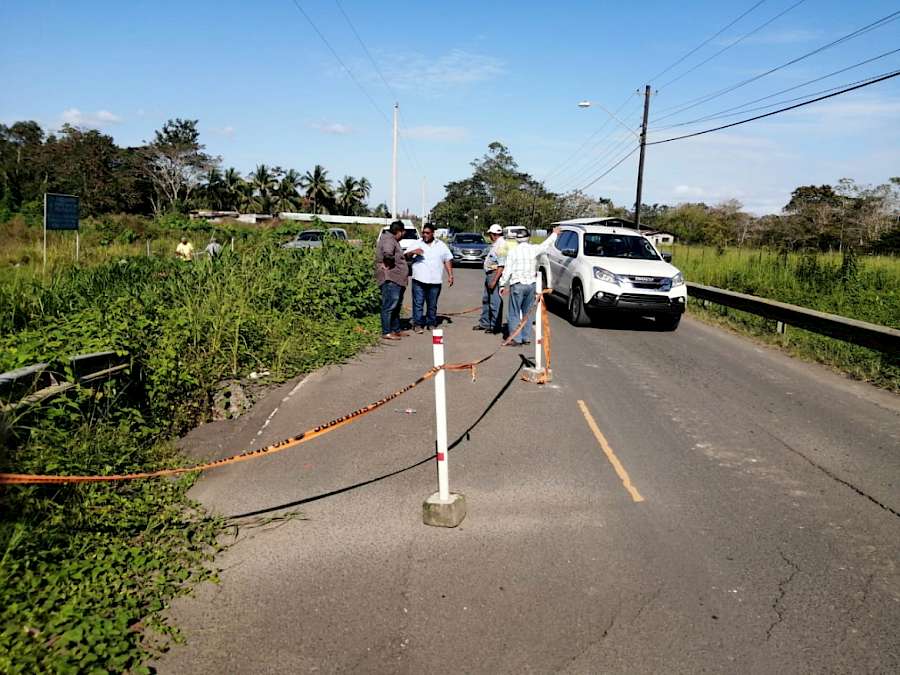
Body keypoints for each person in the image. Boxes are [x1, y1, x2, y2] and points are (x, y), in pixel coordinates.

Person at [499, 226, 560, 346]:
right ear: (528, 238)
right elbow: (545, 244)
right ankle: (525, 337)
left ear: (516, 239)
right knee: (527, 312)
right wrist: (554, 234)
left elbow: (507, 270)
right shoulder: (534, 249)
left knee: (514, 313)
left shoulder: (513, 252)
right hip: (531, 285)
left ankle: (516, 338)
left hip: (517, 284)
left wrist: (502, 284)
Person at [375, 221, 423, 340]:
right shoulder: (389, 240)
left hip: (397, 279)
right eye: (403, 232)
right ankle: (386, 331)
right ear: (399, 231)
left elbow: (397, 256)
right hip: (390, 278)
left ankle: (396, 330)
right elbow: (388, 253)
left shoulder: (393, 240)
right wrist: (387, 263)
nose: (404, 234)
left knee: (396, 306)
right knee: (389, 305)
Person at [410, 223, 454, 333]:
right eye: (423, 233)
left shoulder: (441, 245)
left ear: (433, 233)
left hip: (435, 281)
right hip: (419, 279)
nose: (425, 235)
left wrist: (450, 275)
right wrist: (412, 252)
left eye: (427, 233)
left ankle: (431, 323)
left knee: (432, 304)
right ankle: (418, 324)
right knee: (418, 303)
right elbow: (405, 256)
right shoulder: (417, 243)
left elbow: (447, 259)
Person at [474, 224, 512, 334]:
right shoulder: (496, 244)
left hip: (495, 274)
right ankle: (484, 322)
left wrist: (495, 280)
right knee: (486, 300)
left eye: (490, 234)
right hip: (490, 273)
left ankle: (495, 326)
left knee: (495, 302)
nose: (489, 236)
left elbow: (501, 265)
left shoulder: (502, 246)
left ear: (494, 234)